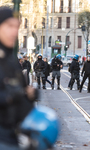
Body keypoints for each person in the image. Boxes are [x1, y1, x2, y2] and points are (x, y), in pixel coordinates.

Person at [0, 6, 36, 150]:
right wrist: (8, 97)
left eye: (17, 27)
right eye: (9, 26)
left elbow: (19, 93)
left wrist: (29, 96)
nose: (14, 31)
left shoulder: (11, 59)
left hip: (12, 135)